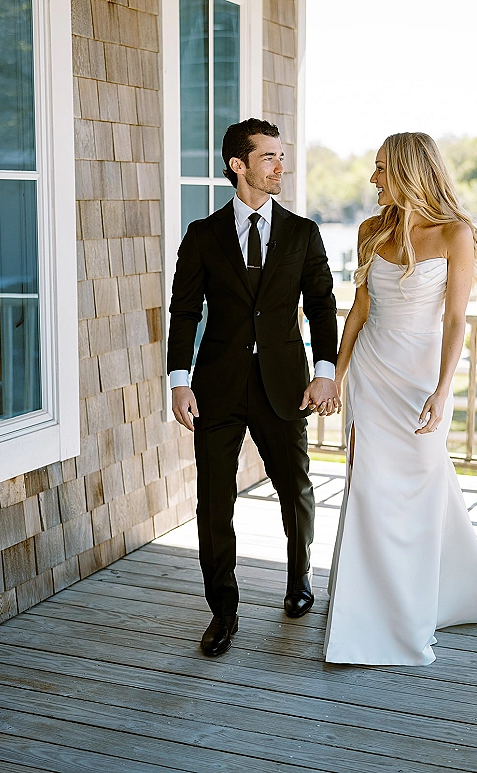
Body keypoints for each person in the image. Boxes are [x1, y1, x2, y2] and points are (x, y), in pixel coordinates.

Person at [324, 132, 477, 666]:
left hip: (420, 380)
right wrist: (336, 377)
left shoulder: (456, 235)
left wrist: (441, 388)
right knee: (367, 490)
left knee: (419, 493)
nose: (373, 179)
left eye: (382, 168)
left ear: (409, 170)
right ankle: (366, 614)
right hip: (372, 373)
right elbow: (358, 314)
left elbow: (457, 320)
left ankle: (418, 603)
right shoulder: (369, 231)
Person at [168, 118, 339, 657]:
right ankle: (223, 611)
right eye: (269, 157)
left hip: (285, 384)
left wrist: (325, 369)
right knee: (214, 504)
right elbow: (184, 311)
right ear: (238, 165)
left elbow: (321, 306)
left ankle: (299, 578)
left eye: (281, 156)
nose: (280, 166)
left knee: (296, 492)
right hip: (216, 387)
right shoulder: (202, 235)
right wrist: (179, 379)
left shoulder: (302, 232)